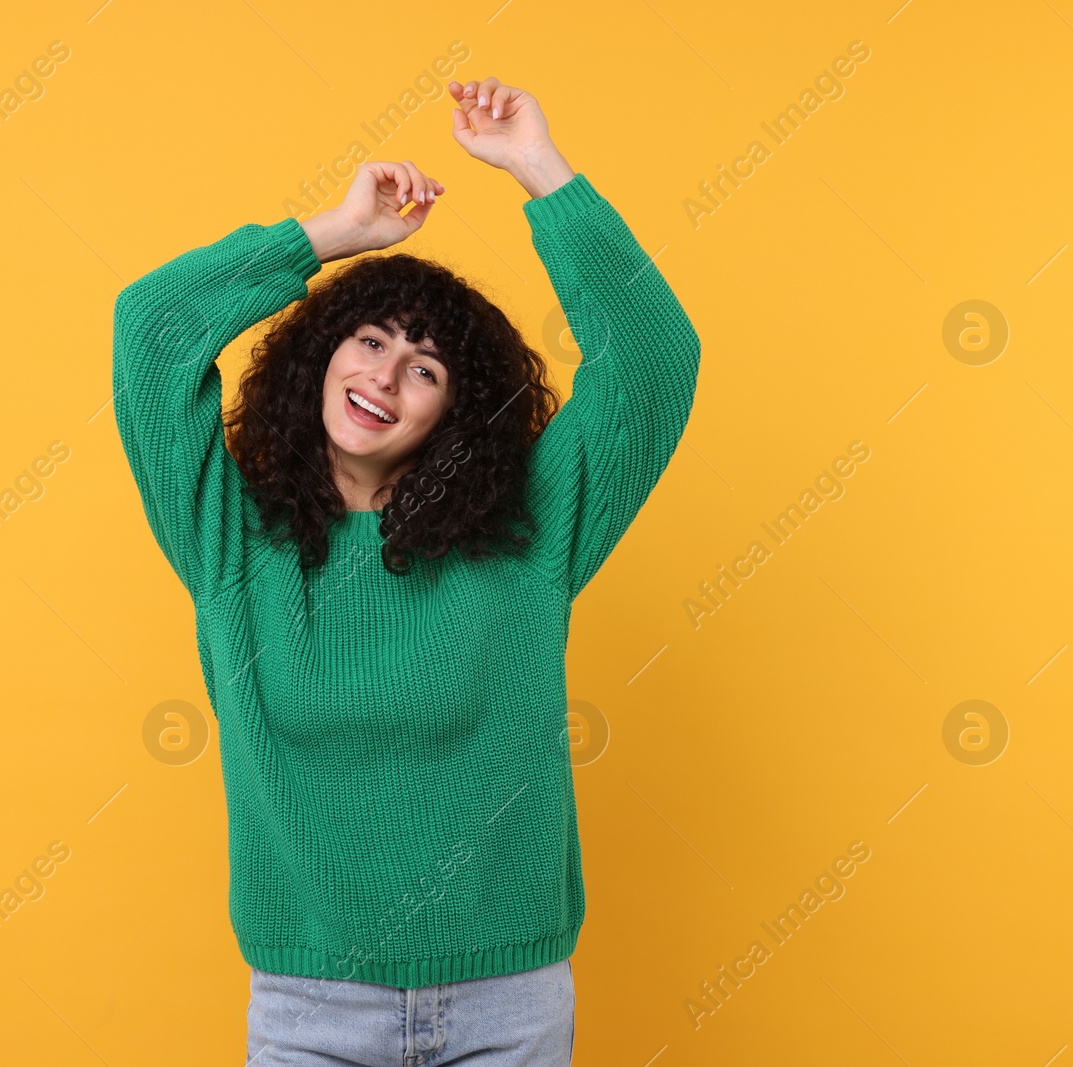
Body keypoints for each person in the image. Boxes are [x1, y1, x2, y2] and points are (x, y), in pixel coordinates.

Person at [112, 75, 701, 1066]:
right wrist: (332, 232)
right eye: (370, 340)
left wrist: (535, 167)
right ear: (318, 359)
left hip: (505, 1008)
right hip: (308, 1011)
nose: (385, 376)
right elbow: (153, 329)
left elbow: (652, 355)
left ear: (452, 418)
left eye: (425, 368)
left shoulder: (526, 531)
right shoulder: (231, 539)